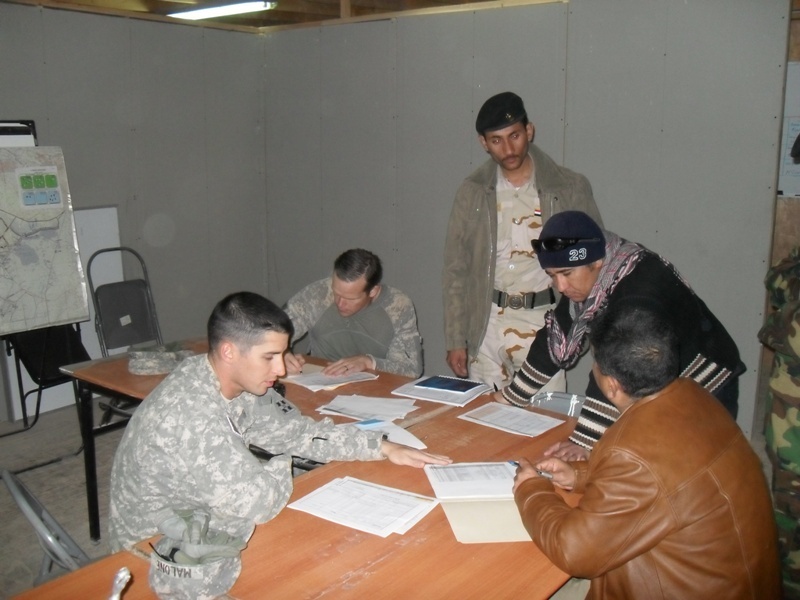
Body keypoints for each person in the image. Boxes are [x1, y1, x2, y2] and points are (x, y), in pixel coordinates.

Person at [108, 292, 449, 551]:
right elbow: (259, 503)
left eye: (281, 355)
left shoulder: (235, 381)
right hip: (156, 547)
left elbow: (296, 432)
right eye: (269, 357)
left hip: (200, 518)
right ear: (229, 352)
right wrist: (282, 461)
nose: (281, 370)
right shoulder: (191, 413)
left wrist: (381, 446)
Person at [512, 305, 781, 599]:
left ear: (611, 386)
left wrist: (532, 489)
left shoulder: (632, 450)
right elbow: (670, 481)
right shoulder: (693, 396)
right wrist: (578, 475)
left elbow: (574, 552)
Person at [502, 210, 744, 460]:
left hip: (703, 378)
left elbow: (616, 369)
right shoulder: (596, 277)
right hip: (656, 379)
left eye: (566, 274)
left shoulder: (637, 293)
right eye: (553, 276)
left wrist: (584, 440)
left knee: (695, 463)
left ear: (595, 263)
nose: (561, 287)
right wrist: (511, 397)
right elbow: (556, 336)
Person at [443, 91, 602, 390]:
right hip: (485, 327)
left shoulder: (569, 188)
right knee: (483, 425)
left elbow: (595, 266)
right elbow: (456, 269)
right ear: (483, 143)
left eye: (514, 135)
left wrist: (584, 331)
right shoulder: (472, 193)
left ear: (529, 130)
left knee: (543, 427)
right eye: (496, 140)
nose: (508, 148)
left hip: (545, 323)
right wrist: (456, 338)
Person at [284, 248, 422, 378]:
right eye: (336, 293)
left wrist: (369, 362)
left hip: (375, 387)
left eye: (350, 299)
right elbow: (271, 329)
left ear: (373, 291)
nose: (340, 303)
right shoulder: (318, 294)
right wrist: (281, 354)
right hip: (320, 380)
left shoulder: (397, 306)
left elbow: (410, 370)